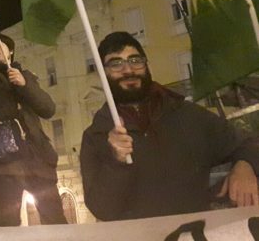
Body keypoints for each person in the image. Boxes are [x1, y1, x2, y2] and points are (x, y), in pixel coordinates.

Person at [80, 31, 259, 220]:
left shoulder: (186, 114)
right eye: (116, 64)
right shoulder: (95, 137)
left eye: (135, 60)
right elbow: (102, 209)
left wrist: (245, 166)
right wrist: (116, 162)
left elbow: (246, 143)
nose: (128, 70)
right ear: (103, 73)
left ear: (146, 65)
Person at [0, 9, 66, 226]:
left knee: (55, 219)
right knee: (6, 223)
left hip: (37, 160)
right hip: (4, 162)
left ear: (11, 50)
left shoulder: (26, 75)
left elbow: (48, 109)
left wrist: (25, 85)